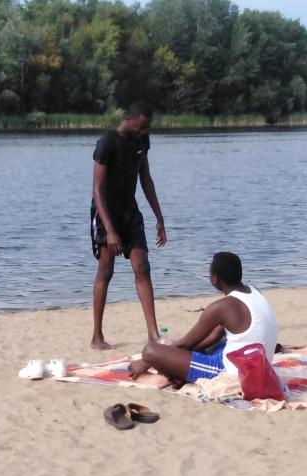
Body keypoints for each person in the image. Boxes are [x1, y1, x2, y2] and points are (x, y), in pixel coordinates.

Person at [129, 252, 279, 382]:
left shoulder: (222, 307)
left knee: (150, 351)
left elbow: (185, 344)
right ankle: (179, 364)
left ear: (216, 279)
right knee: (211, 344)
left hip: (232, 371)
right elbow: (214, 336)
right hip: (259, 363)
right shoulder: (254, 291)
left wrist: (147, 361)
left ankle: (174, 368)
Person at [90, 101, 167, 350]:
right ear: (128, 118)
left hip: (130, 212)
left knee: (142, 267)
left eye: (147, 127)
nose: (143, 131)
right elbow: (97, 189)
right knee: (106, 271)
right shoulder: (108, 143)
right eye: (140, 126)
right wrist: (110, 230)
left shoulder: (142, 141)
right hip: (106, 213)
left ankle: (154, 334)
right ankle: (97, 336)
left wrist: (159, 217)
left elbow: (146, 179)